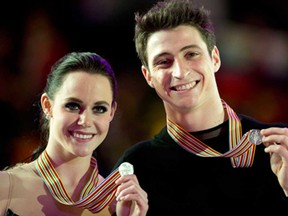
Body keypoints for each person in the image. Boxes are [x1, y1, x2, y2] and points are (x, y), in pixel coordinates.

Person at [112, 0, 288, 215]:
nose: (180, 72)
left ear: (214, 58)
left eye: (191, 54)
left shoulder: (278, 147)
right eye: (164, 62)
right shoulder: (136, 168)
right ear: (148, 76)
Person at [0, 52, 148, 216]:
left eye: (99, 109)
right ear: (48, 106)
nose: (85, 120)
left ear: (111, 113)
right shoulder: (6, 187)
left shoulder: (118, 203)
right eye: (73, 106)